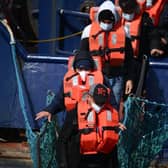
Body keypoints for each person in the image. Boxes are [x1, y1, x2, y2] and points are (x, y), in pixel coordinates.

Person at [80, 0, 136, 111]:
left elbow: (130, 59)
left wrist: (130, 79)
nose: (106, 23)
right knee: (94, 106)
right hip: (95, 75)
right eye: (103, 21)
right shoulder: (88, 31)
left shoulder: (124, 32)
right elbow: (82, 55)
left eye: (108, 21)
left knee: (114, 106)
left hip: (116, 77)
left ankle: (112, 127)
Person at [118, 0, 163, 95]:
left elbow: (153, 35)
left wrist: (154, 47)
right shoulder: (117, 19)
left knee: (134, 88)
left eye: (130, 12)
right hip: (120, 60)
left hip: (136, 60)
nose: (128, 14)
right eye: (126, 12)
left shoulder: (145, 19)